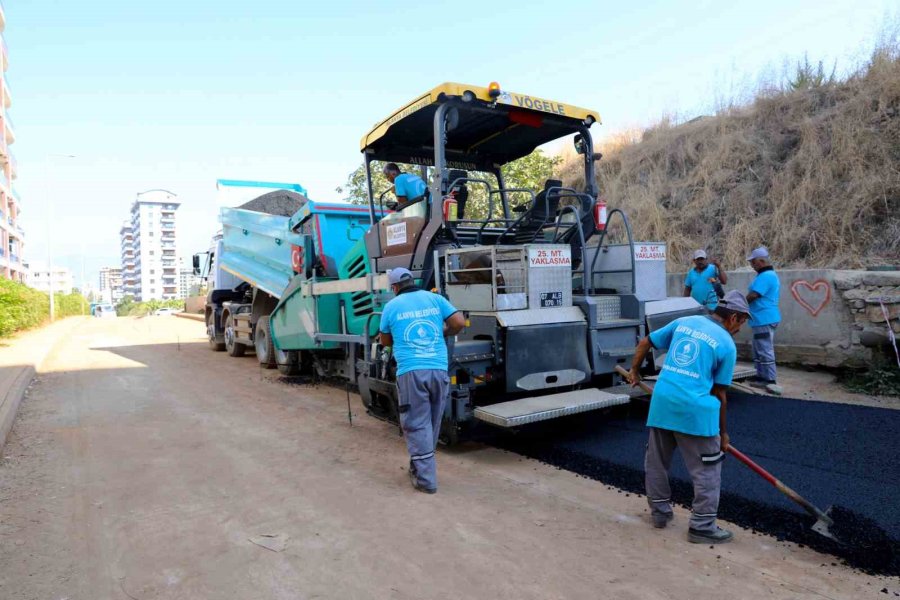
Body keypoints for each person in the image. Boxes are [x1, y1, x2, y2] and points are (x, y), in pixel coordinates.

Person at [627, 290, 750, 544]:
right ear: (733, 318)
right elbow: (719, 394)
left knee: (657, 463)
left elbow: (644, 342)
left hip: (662, 403)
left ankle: (660, 515)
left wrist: (634, 371)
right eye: (742, 323)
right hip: (695, 412)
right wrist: (723, 433)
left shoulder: (686, 321)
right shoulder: (726, 344)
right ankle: (702, 527)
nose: (740, 329)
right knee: (707, 470)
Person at [378, 267, 466, 494]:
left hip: (411, 372)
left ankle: (426, 480)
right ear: (412, 280)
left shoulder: (391, 306)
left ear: (394, 287)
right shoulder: (435, 299)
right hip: (438, 369)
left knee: (416, 423)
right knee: (432, 423)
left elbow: (385, 341)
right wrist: (441, 331)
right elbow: (459, 322)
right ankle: (419, 465)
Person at [746, 246, 781, 390]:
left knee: (765, 349)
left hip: (763, 318)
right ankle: (761, 375)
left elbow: (754, 295)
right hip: (761, 318)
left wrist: (740, 303)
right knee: (758, 348)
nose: (752, 266)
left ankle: (769, 379)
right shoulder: (767, 275)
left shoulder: (766, 276)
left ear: (761, 261)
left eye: (753, 263)